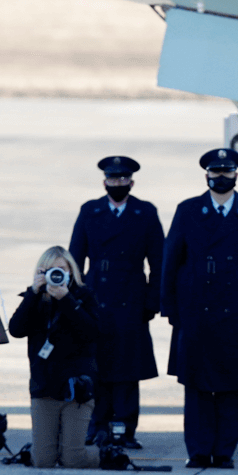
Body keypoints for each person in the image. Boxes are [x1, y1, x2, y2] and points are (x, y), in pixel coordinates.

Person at [161, 148, 238, 469]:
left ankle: (224, 451)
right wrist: (171, 310)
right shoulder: (188, 210)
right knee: (196, 388)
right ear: (206, 175)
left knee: (230, 387)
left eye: (227, 172)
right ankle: (197, 451)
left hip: (237, 314)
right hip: (195, 314)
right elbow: (172, 262)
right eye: (216, 172)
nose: (221, 178)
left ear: (237, 175)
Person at [68, 155, 164, 450]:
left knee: (127, 368)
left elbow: (159, 262)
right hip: (96, 297)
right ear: (104, 181)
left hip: (131, 298)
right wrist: (76, 299)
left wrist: (151, 302)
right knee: (95, 365)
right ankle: (95, 425)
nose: (118, 183)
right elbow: (74, 258)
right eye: (113, 179)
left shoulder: (145, 212)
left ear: (131, 182)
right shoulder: (90, 210)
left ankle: (125, 427)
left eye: (123, 179)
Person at [9, 247, 101, 468]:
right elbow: (16, 329)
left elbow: (91, 333)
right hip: (44, 388)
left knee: (73, 459)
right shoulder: (35, 297)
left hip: (76, 388)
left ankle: (104, 452)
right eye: (51, 270)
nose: (57, 274)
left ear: (71, 271)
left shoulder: (84, 296)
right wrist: (33, 292)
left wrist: (66, 299)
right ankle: (58, 446)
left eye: (62, 269)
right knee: (42, 460)